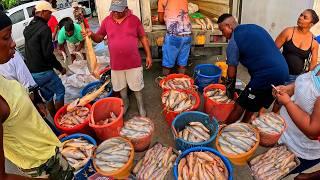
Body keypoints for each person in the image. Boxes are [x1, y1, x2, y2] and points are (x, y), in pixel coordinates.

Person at [0, 10, 74, 179]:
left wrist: (35, 101)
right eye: (6, 37)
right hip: (42, 165)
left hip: (50, 152)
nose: (13, 44)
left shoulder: (4, 68)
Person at [83, 0, 152, 116]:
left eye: (118, 10)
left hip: (133, 62)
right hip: (116, 64)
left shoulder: (134, 20)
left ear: (125, 9)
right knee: (121, 88)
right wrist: (92, 35)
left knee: (137, 87)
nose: (115, 12)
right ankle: (126, 103)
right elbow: (99, 37)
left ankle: (141, 106)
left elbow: (143, 37)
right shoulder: (107, 21)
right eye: (113, 9)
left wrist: (149, 55)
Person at [217, 13, 289, 124]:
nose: (222, 34)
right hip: (283, 71)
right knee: (254, 101)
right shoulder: (254, 27)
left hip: (267, 75)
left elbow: (231, 72)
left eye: (222, 30)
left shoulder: (234, 41)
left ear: (229, 26)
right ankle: (244, 125)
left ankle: (222, 128)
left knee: (240, 105)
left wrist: (229, 90)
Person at [274, 65, 320, 180]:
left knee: (271, 173)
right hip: (284, 135)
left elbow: (312, 131)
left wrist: (288, 103)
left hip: (299, 149)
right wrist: (288, 89)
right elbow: (307, 80)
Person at [24, 1, 67, 118]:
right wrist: (60, 68)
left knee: (48, 97)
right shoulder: (44, 28)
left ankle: (55, 119)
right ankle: (62, 118)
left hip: (32, 73)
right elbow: (48, 54)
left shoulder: (28, 28)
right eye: (49, 13)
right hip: (44, 71)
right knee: (60, 91)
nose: (50, 16)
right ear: (42, 13)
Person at [275, 9, 319, 84]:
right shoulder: (288, 31)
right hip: (279, 72)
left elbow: (313, 64)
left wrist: (306, 81)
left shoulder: (314, 41)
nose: (300, 18)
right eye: (301, 15)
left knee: (285, 95)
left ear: (311, 24)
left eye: (305, 17)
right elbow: (273, 50)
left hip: (296, 78)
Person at [158, 0, 192, 75]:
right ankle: (181, 80)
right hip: (188, 33)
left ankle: (165, 81)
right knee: (182, 64)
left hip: (174, 35)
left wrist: (165, 19)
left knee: (167, 64)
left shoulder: (161, 1)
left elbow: (160, 20)